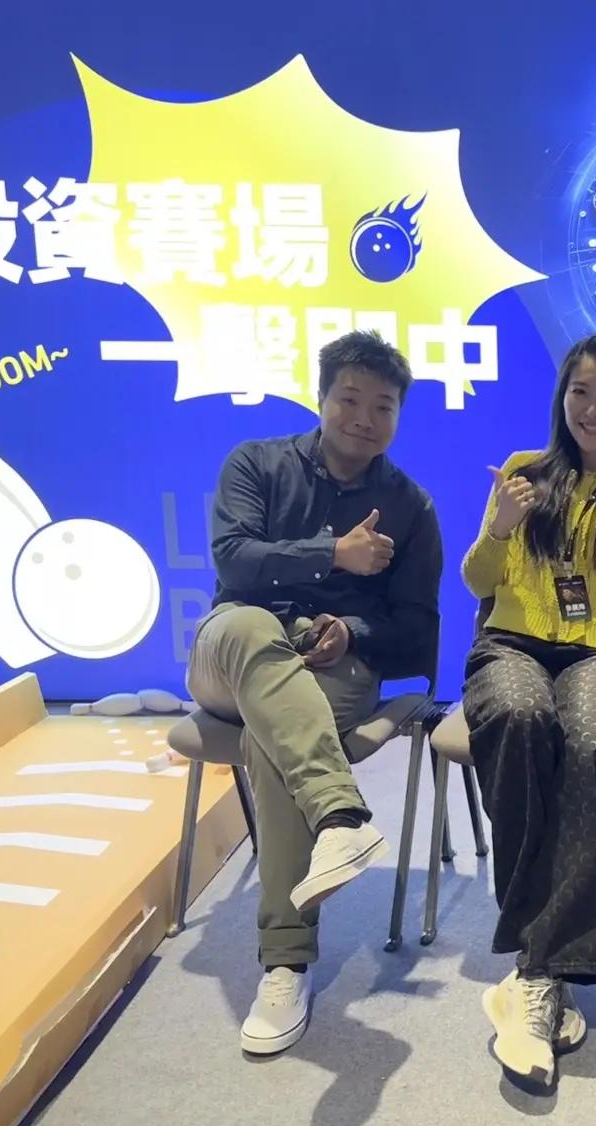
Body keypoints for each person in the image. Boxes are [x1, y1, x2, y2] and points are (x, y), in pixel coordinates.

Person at [188, 330, 441, 1056]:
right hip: (231, 651)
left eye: (383, 406)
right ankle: (340, 813)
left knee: (277, 739)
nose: (364, 418)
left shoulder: (410, 506)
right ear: (322, 396)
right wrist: (334, 554)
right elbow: (235, 563)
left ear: (398, 416)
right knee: (249, 627)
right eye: (350, 399)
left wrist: (351, 632)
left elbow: (416, 634)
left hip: (334, 667)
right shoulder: (256, 464)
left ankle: (285, 963)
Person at [461, 334, 596, 1088]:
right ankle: (548, 964)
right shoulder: (523, 473)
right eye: (581, 391)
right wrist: (498, 525)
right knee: (519, 717)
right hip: (512, 645)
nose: (594, 408)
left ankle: (534, 971)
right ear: (562, 400)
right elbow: (478, 581)